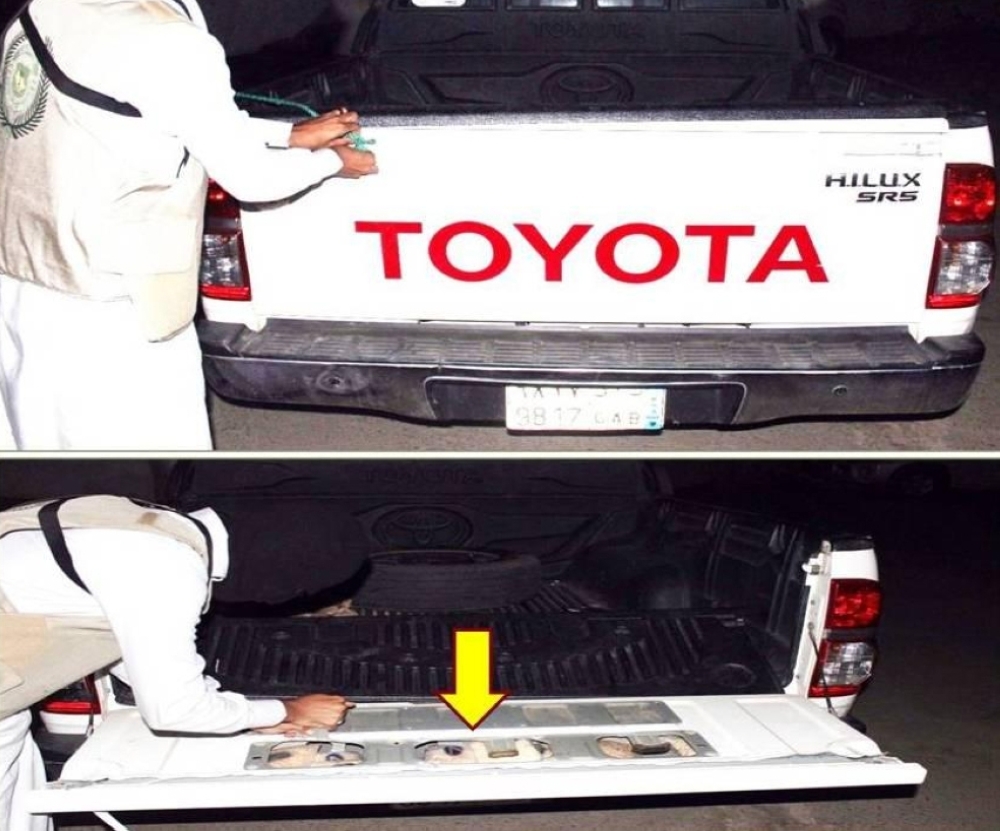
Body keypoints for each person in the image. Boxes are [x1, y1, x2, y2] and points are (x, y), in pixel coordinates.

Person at [0, 0, 378, 450]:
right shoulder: (168, 41)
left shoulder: (45, 9)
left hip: (23, 281)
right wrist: (333, 161)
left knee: (38, 445)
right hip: (111, 309)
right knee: (136, 460)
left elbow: (147, 110)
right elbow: (255, 179)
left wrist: (286, 135)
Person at [0, 495, 357, 831]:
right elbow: (174, 709)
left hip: (9, 697)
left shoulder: (153, 526)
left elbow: (140, 652)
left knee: (19, 792)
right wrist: (287, 710)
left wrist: (248, 716)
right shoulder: (165, 569)